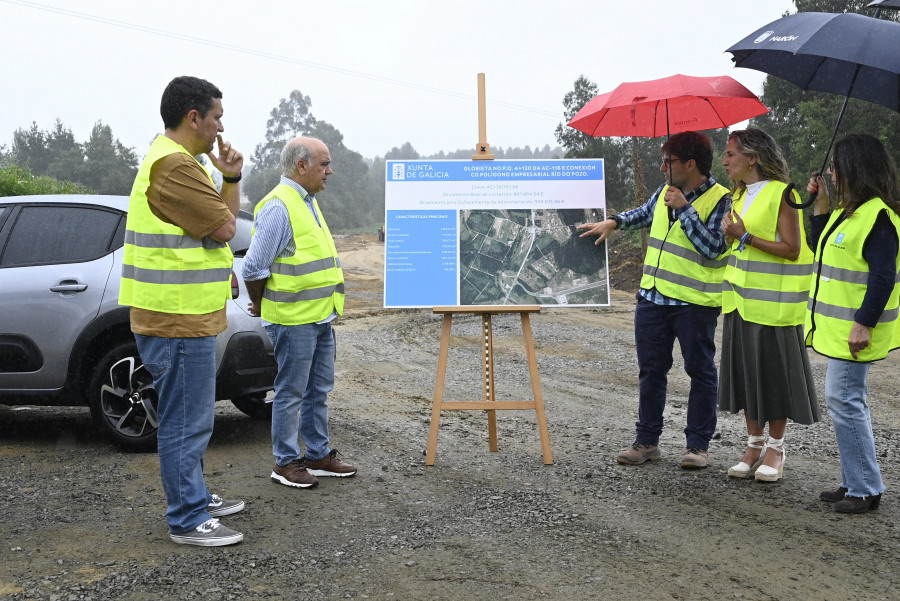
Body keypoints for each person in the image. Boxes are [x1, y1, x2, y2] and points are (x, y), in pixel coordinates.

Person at [120, 76, 245, 546]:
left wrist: (229, 178)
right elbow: (226, 227)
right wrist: (227, 195)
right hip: (175, 317)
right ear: (193, 117)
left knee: (192, 415)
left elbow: (219, 225)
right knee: (186, 419)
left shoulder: (183, 162)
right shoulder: (174, 167)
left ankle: (194, 494)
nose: (220, 127)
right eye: (216, 117)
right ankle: (187, 517)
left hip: (184, 313)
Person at [577, 131, 731, 469]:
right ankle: (647, 442)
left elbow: (715, 248)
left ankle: (698, 446)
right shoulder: (664, 192)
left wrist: (686, 209)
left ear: (690, 164)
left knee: (701, 372)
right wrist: (614, 222)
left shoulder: (721, 199)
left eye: (669, 161)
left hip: (695, 304)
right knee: (651, 372)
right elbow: (643, 214)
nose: (662, 167)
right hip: (653, 299)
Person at [242, 137, 357, 489]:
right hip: (293, 320)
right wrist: (260, 304)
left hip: (319, 316)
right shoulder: (279, 205)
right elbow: (253, 267)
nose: (329, 170)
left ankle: (318, 455)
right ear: (301, 166)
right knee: (291, 392)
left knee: (318, 388)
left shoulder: (306, 201)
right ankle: (286, 462)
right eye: (323, 164)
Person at [806, 134, 900, 514]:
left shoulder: (877, 217)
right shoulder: (852, 213)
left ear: (854, 168)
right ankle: (855, 480)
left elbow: (883, 277)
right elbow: (821, 250)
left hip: (854, 333)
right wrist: (821, 205)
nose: (831, 171)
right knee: (847, 401)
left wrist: (863, 324)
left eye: (835, 167)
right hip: (841, 331)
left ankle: (865, 488)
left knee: (844, 401)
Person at [718, 129, 818, 482]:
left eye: (731, 154)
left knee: (774, 379)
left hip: (774, 308)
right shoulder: (738, 196)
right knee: (747, 376)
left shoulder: (783, 194)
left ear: (752, 158)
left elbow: (792, 249)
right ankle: (753, 444)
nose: (725, 160)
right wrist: (731, 235)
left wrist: (744, 236)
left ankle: (776, 448)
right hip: (740, 305)